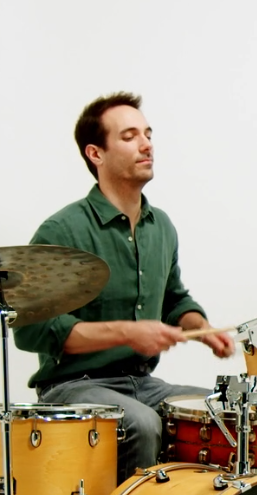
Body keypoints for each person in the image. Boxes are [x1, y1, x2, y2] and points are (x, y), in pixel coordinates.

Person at [15, 91, 237, 479]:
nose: (146, 143)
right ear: (95, 154)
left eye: (148, 133)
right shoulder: (62, 230)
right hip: (73, 386)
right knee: (142, 423)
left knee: (224, 414)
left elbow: (174, 297)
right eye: (129, 135)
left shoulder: (161, 226)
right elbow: (32, 330)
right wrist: (129, 333)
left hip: (141, 382)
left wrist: (199, 327)